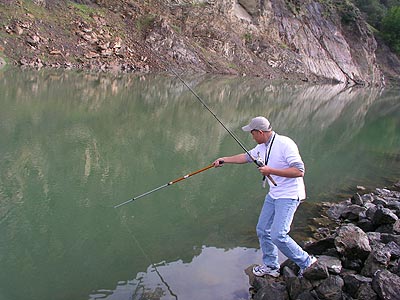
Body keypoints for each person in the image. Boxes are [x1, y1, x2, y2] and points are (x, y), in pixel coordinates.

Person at [213, 116, 316, 278]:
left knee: (278, 234)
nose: (252, 137)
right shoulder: (261, 147)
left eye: (252, 133)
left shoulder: (285, 144)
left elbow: (299, 171)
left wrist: (270, 171)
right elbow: (246, 157)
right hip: (274, 194)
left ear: (260, 132)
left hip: (289, 195)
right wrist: (224, 160)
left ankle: (307, 263)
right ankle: (271, 266)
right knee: (262, 230)